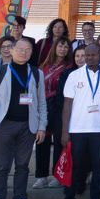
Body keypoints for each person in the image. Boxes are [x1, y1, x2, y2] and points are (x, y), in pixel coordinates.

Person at [0, 37, 47, 199]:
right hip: (4, 124)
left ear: (31, 53)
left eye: (28, 50)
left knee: (22, 166)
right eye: (20, 49)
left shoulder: (36, 73)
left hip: (27, 126)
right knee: (1, 166)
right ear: (12, 50)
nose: (23, 52)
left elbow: (41, 103)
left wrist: (41, 127)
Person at [60, 42, 100, 199]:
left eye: (93, 55)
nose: (89, 58)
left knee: (99, 167)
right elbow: (67, 105)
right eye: (86, 55)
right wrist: (64, 131)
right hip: (77, 129)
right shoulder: (74, 76)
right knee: (75, 167)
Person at [35, 36, 74, 188]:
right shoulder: (44, 66)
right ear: (54, 48)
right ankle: (41, 176)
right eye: (60, 46)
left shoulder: (70, 67)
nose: (63, 49)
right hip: (43, 107)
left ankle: (57, 175)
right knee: (41, 140)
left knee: (59, 141)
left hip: (60, 107)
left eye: (66, 47)